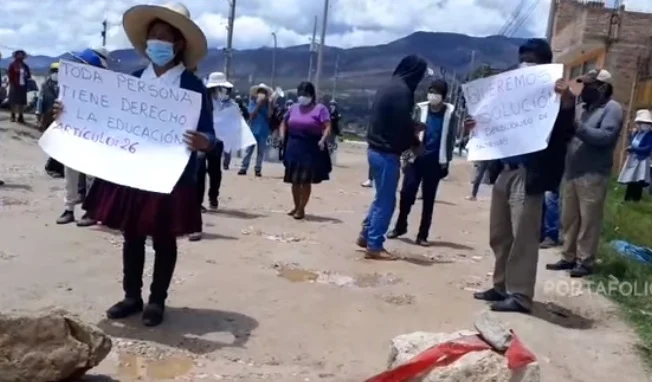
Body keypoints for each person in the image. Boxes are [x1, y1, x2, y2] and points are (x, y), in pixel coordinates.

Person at [54, 3, 216, 326]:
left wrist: (204, 142)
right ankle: (132, 295)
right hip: (132, 170)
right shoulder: (132, 81)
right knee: (132, 235)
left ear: (179, 43)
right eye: (153, 35)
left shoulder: (192, 87)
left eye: (164, 36)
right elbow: (104, 119)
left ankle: (157, 300)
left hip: (172, 174)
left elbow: (211, 134)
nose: (156, 42)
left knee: (164, 237)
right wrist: (68, 113)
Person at [469, 39, 575, 313]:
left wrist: (565, 100)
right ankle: (500, 285)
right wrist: (478, 125)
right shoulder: (510, 92)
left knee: (523, 238)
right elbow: (497, 123)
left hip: (530, 174)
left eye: (532, 59)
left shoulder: (554, 94)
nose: (526, 63)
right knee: (500, 234)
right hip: (505, 170)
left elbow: (564, 130)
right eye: (523, 58)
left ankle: (520, 295)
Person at [546, 69, 623, 278]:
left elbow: (605, 136)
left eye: (590, 85)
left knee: (589, 220)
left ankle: (585, 260)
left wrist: (578, 127)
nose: (585, 89)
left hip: (593, 173)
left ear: (603, 87)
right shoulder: (580, 108)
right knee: (569, 218)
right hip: (572, 171)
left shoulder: (612, 109)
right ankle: (568, 257)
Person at [356, 55, 428, 260]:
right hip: (386, 153)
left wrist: (411, 127)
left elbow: (395, 120)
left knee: (381, 198)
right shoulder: (402, 92)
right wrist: (415, 142)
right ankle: (375, 245)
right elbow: (401, 126)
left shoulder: (389, 86)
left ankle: (366, 235)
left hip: (375, 149)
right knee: (386, 201)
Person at [387, 78, 456, 246]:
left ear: (444, 96)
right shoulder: (420, 110)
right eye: (431, 91)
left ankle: (422, 235)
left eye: (437, 93)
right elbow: (410, 131)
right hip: (415, 159)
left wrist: (446, 162)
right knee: (406, 194)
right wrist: (406, 155)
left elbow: (451, 139)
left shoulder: (450, 115)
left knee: (429, 199)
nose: (433, 95)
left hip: (435, 162)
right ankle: (400, 225)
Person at [55, 49, 112, 227]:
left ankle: (91, 210)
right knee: (70, 172)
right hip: (73, 134)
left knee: (91, 174)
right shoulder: (71, 85)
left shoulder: (109, 87)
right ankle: (69, 208)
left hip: (95, 135)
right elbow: (60, 108)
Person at [280, 82, 332, 219]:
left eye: (306, 94)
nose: (303, 97)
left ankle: (302, 208)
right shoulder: (293, 108)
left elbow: (327, 126)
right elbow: (284, 122)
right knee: (294, 180)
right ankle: (296, 205)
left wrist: (323, 139)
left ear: (312, 95)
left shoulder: (320, 109)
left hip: (310, 148)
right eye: (301, 94)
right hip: (293, 146)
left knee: (305, 180)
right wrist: (281, 136)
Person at [239, 83, 273, 176]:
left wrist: (269, 103)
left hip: (263, 130)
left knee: (260, 152)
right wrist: (258, 105)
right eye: (260, 92)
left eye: (263, 92)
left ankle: (258, 169)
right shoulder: (252, 102)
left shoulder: (268, 104)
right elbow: (252, 115)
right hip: (253, 129)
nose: (261, 94)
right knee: (248, 150)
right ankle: (243, 167)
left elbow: (270, 115)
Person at [618, 109, 652, 202]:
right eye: (642, 123)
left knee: (638, 180)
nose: (644, 125)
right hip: (633, 158)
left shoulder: (650, 135)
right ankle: (628, 198)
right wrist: (630, 135)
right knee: (631, 178)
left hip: (642, 160)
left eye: (647, 123)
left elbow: (647, 148)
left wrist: (634, 149)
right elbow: (633, 142)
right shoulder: (637, 133)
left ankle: (636, 198)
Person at [38, 63, 65, 178]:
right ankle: (51, 165)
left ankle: (57, 166)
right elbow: (41, 99)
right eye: (54, 70)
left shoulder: (64, 85)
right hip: (48, 115)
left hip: (61, 117)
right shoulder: (46, 84)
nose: (56, 73)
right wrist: (38, 114)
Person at [7, 50, 31, 124]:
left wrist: (26, 75)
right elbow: (9, 74)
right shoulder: (12, 65)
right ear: (16, 56)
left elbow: (29, 75)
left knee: (22, 102)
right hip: (14, 85)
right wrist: (11, 83)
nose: (20, 56)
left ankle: (20, 116)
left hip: (23, 85)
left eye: (21, 54)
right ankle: (12, 115)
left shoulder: (25, 66)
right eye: (19, 54)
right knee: (13, 101)